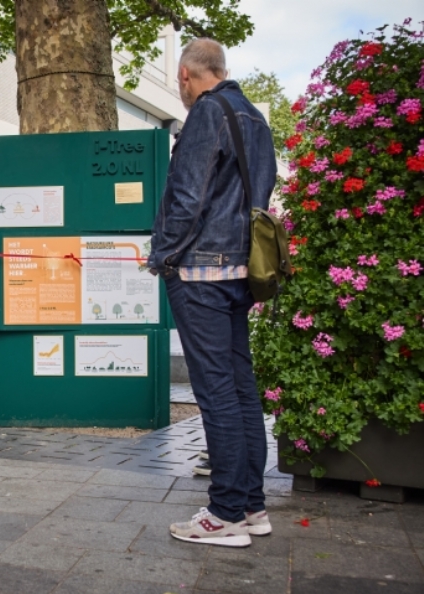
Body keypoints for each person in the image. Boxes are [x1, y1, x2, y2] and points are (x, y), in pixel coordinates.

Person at [148, 39, 277, 547]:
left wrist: (162, 255)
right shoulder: (256, 119)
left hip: (200, 273)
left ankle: (224, 515)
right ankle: (251, 506)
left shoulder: (206, 113)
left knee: (217, 394)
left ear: (185, 75)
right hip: (239, 272)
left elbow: (186, 198)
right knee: (241, 389)